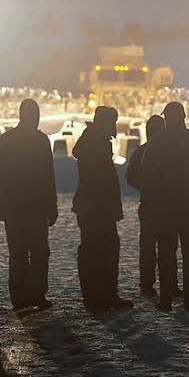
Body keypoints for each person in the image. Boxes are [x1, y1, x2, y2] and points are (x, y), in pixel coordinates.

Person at [142, 101, 189, 311]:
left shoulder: (156, 144)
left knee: (166, 254)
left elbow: (147, 176)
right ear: (183, 117)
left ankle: (165, 298)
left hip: (165, 208)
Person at [0, 99, 57, 310]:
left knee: (18, 253)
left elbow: (0, 175)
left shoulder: (7, 139)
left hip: (14, 207)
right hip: (35, 206)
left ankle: (19, 297)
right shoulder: (41, 140)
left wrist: (2, 204)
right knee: (38, 253)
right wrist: (52, 205)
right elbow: (48, 176)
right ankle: (37, 294)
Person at [73, 105, 132, 311]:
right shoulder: (97, 144)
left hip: (93, 207)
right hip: (98, 208)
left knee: (97, 250)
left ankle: (99, 295)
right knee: (101, 250)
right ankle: (101, 296)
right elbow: (102, 180)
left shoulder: (92, 141)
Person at [126, 114, 176, 298]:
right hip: (168, 206)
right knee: (168, 248)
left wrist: (144, 186)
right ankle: (169, 284)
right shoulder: (171, 151)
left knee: (148, 247)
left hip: (148, 205)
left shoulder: (141, 151)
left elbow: (130, 176)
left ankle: (147, 285)